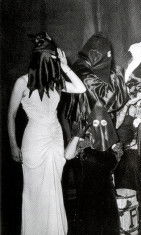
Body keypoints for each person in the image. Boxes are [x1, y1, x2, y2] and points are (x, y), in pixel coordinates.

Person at [7, 32, 86, 235]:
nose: (54, 63)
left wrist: (65, 66)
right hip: (34, 140)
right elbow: (11, 114)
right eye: (51, 58)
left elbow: (80, 88)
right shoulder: (22, 83)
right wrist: (13, 145)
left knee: (53, 190)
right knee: (35, 193)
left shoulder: (55, 83)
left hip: (54, 136)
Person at [66, 32, 128, 234]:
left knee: (101, 202)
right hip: (89, 149)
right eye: (106, 55)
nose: (110, 60)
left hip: (97, 146)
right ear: (96, 55)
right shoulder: (84, 75)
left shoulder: (88, 71)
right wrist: (118, 74)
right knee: (95, 205)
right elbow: (111, 99)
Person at [114, 62, 141, 215]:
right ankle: (128, 205)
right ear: (134, 89)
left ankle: (134, 207)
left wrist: (134, 144)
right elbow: (115, 126)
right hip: (117, 145)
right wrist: (126, 107)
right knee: (127, 163)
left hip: (130, 148)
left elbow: (137, 129)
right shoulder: (121, 101)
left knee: (130, 163)